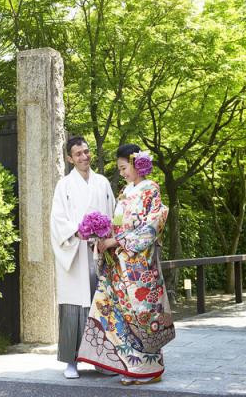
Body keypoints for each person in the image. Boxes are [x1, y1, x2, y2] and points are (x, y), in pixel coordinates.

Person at [76, 144, 175, 386]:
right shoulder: (124, 193)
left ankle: (151, 369)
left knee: (142, 314)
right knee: (119, 311)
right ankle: (133, 367)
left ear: (136, 164)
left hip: (139, 266)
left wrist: (116, 241)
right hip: (119, 264)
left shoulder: (151, 189)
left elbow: (151, 227)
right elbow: (118, 223)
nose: (122, 173)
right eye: (119, 169)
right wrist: (102, 237)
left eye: (123, 168)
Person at [50, 136, 116, 379]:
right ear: (69, 158)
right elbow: (57, 220)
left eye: (86, 152)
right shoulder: (64, 185)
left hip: (100, 251)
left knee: (101, 304)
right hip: (75, 251)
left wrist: (105, 235)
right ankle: (71, 361)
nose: (84, 157)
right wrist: (79, 231)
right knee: (74, 306)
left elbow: (112, 213)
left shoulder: (103, 182)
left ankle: (103, 361)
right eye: (78, 154)